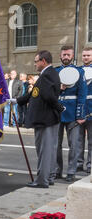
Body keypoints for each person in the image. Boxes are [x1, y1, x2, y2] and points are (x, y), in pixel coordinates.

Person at [16, 50, 63, 188]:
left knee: (45, 150)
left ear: (43, 61)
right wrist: (16, 100)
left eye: (36, 61)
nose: (34, 64)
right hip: (46, 119)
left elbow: (49, 97)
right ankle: (49, 177)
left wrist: (60, 108)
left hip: (45, 119)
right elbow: (33, 94)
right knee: (48, 149)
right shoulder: (46, 74)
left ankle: (42, 180)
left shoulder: (47, 75)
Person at [55, 45, 87, 182]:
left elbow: (82, 94)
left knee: (74, 144)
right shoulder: (55, 72)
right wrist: (59, 88)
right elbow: (50, 92)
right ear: (60, 56)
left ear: (72, 56)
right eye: (64, 54)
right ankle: (57, 171)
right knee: (56, 144)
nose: (66, 57)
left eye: (68, 55)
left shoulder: (79, 71)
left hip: (73, 113)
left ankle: (71, 171)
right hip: (57, 112)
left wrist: (80, 114)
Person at [78, 47, 92, 174]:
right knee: (78, 140)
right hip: (79, 110)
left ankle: (90, 165)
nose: (86, 57)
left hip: (91, 109)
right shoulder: (77, 70)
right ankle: (78, 163)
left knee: (91, 140)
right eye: (84, 55)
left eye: (88, 55)